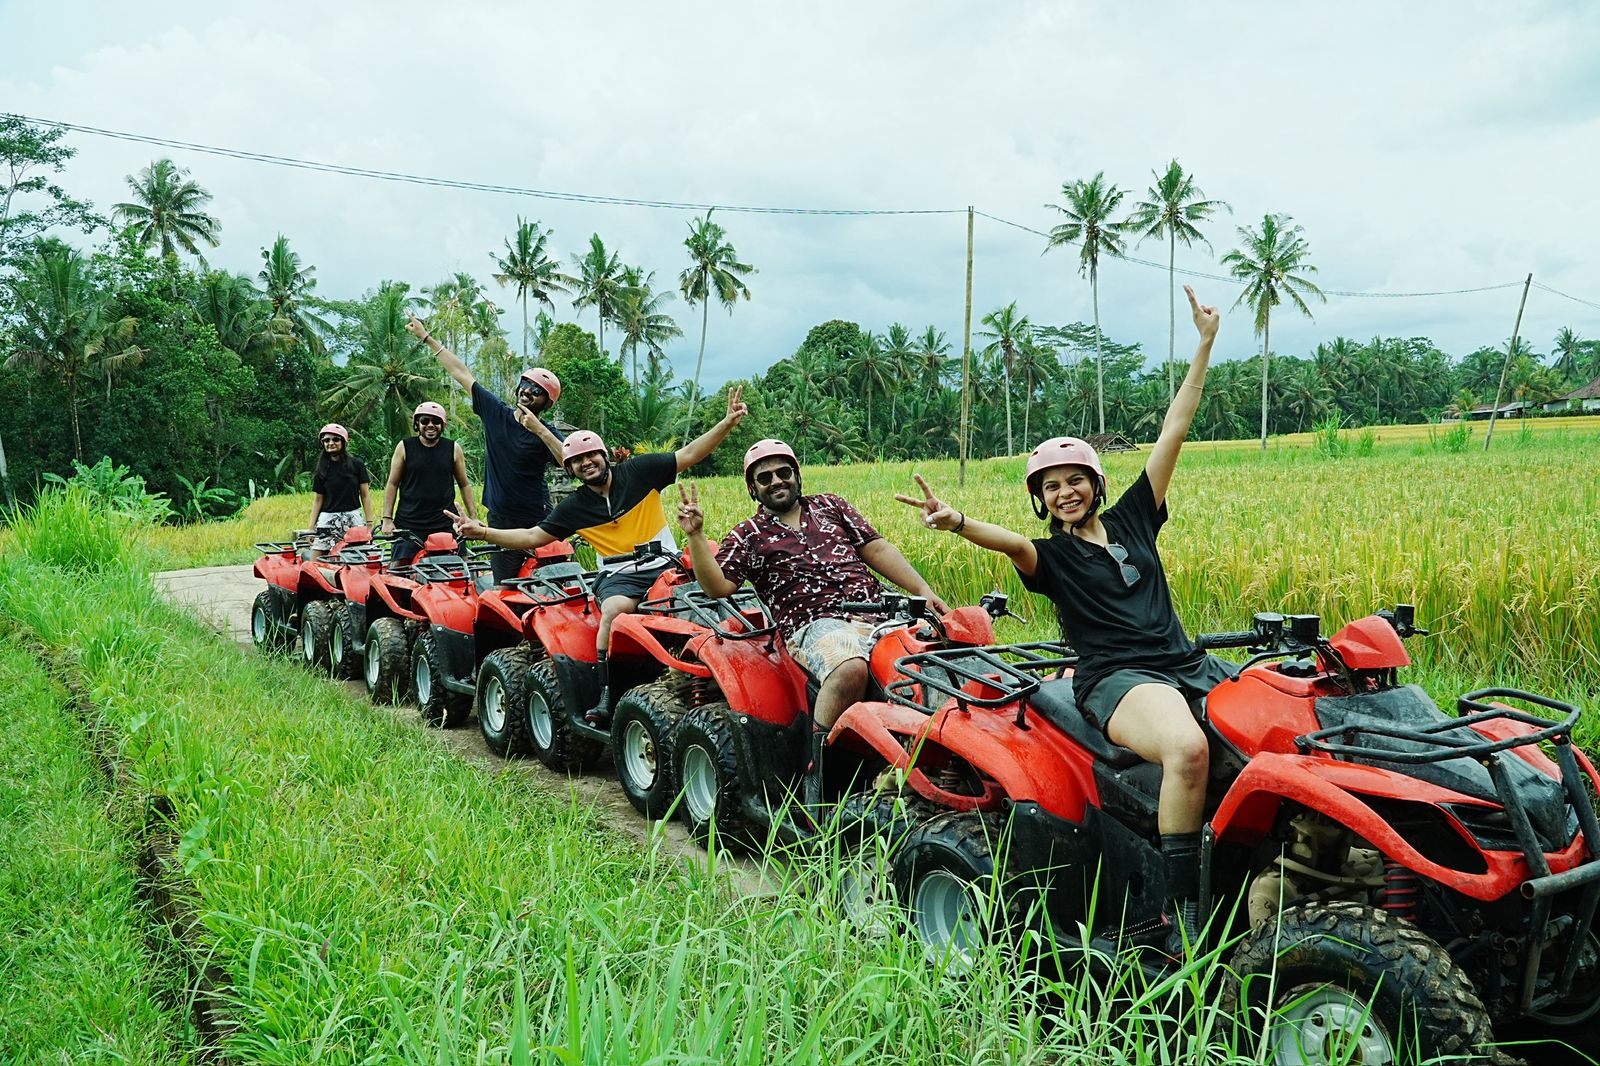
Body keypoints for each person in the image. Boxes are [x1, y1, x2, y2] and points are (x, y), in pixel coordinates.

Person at [895, 284, 1228, 956]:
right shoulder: (1047, 555)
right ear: (1041, 501)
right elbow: (1006, 542)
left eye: (1075, 479)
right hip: (1118, 679)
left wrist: (1204, 343)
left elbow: (1175, 429)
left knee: (1274, 731)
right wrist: (955, 521)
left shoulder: (1136, 516)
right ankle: (1178, 914)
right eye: (1051, 486)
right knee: (1188, 751)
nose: (1065, 491)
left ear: (1096, 483)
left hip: (1185, 662)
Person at [449, 386, 749, 725]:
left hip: (666, 563)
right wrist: (484, 532)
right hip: (619, 577)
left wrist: (727, 422)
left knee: (711, 604)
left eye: (591, 455)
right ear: (571, 469)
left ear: (605, 455)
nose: (586, 463)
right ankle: (607, 693)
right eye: (577, 461)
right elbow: (533, 536)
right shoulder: (575, 507)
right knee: (613, 612)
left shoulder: (639, 472)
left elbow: (690, 454)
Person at [675, 437, 950, 803]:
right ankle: (818, 773)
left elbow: (876, 548)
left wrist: (923, 590)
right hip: (813, 624)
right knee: (850, 668)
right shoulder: (748, 535)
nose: (776, 481)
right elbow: (718, 586)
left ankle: (944, 764)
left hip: (877, 611)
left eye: (783, 472)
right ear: (753, 489)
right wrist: (695, 535)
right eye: (765, 477)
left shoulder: (831, 506)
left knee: (940, 657)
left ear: (797, 475)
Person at [405, 314, 565, 583]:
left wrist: (538, 429)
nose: (528, 391)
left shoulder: (547, 432)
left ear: (546, 403)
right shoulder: (496, 413)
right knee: (505, 587)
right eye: (525, 384)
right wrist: (426, 337)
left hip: (539, 520)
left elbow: (567, 461)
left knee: (553, 585)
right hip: (501, 520)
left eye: (537, 391)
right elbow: (460, 373)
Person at [379, 400, 478, 565]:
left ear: (442, 425)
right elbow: (392, 483)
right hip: (410, 521)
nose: (430, 425)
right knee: (398, 568)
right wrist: (387, 519)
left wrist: (473, 518)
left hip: (445, 521)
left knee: (463, 567)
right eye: (425, 421)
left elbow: (464, 484)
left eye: (436, 421)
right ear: (417, 424)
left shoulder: (453, 448)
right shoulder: (404, 447)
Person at [307, 423, 375, 559]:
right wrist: (311, 528)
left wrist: (369, 523)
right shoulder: (321, 469)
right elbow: (318, 499)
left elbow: (365, 495)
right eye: (326, 440)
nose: (331, 443)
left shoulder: (357, 465)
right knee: (315, 562)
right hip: (328, 519)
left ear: (343, 442)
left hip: (353, 518)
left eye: (335, 439)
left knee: (359, 559)